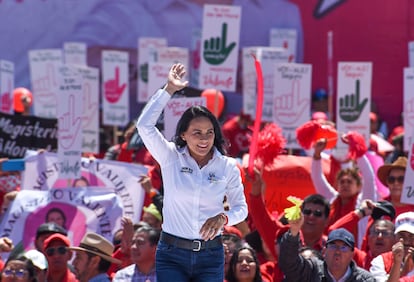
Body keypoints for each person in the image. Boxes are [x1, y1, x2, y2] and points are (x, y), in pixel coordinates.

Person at [136, 63, 248, 281]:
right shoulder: (170, 157)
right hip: (171, 255)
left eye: (209, 132)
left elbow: (241, 209)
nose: (204, 139)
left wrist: (223, 218)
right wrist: (168, 90)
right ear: (184, 135)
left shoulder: (227, 166)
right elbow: (144, 126)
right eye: (196, 133)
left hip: (211, 255)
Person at [312, 138, 377, 240]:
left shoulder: (364, 203)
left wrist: (357, 149)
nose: (345, 185)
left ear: (359, 186)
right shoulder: (332, 200)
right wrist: (317, 154)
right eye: (342, 182)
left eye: (349, 182)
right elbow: (317, 178)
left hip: (355, 253)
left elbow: (369, 177)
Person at [279, 222, 375, 281]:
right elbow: (289, 264)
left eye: (344, 248)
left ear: (352, 254)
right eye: (333, 246)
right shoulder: (312, 271)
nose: (338, 252)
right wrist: (294, 231)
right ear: (324, 251)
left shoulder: (365, 280)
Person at [370, 212, 414, 281]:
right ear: (394, 237)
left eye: (412, 236)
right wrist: (398, 264)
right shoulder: (381, 261)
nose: (407, 241)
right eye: (402, 235)